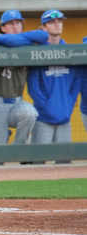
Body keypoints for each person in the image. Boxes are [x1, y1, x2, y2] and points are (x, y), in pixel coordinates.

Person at [0, 10, 43, 145]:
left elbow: (42, 35)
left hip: (16, 103)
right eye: (10, 24)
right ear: (3, 28)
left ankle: (19, 149)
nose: (15, 26)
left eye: (18, 23)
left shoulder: (28, 45)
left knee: (30, 114)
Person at [28, 10, 80, 144]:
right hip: (43, 118)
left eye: (60, 21)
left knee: (64, 160)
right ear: (43, 28)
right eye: (51, 22)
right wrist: (47, 108)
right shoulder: (37, 52)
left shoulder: (70, 52)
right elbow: (34, 88)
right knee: (39, 159)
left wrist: (68, 106)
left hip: (65, 117)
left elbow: (75, 84)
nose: (57, 24)